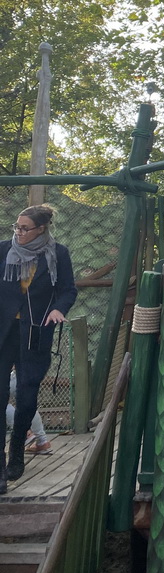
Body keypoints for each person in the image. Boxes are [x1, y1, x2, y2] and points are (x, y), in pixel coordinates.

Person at [0, 204, 77, 493]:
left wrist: (58, 309)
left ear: (41, 229)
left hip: (35, 332)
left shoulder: (58, 254)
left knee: (27, 396)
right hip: (3, 331)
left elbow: (69, 289)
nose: (18, 232)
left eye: (24, 228)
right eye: (16, 227)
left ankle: (18, 449)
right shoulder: (3, 249)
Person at [5, 369, 52, 456]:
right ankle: (42, 441)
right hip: (28, 372)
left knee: (3, 403)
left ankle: (25, 433)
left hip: (11, 375)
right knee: (28, 404)